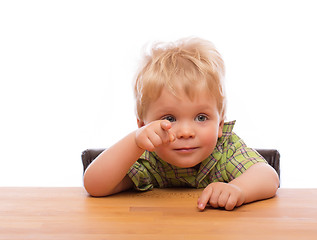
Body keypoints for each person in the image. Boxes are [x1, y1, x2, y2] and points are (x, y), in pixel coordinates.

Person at [83, 37, 279, 211]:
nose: (186, 132)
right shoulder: (146, 155)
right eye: (169, 119)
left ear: (220, 124)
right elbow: (94, 185)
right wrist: (134, 142)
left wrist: (238, 189)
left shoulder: (225, 150)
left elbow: (268, 176)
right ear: (143, 124)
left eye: (201, 117)